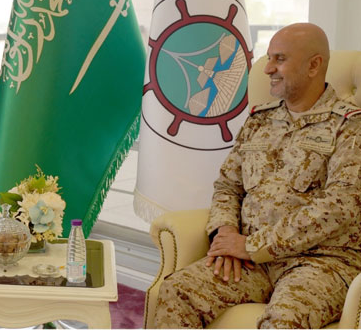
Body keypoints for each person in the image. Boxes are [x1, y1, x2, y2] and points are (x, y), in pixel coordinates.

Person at [154, 23, 361, 328]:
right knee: (177, 291)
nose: (268, 69)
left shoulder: (349, 126)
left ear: (314, 65)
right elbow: (228, 185)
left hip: (321, 262)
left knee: (283, 320)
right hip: (250, 261)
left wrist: (253, 245)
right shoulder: (260, 119)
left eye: (279, 59)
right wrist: (225, 234)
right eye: (269, 58)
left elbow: (340, 207)